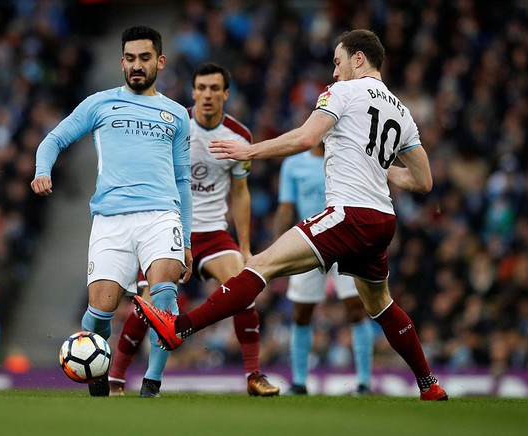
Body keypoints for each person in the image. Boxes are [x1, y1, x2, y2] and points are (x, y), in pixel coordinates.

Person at [135, 29, 448, 401]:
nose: (334, 72)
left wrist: (249, 151)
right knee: (380, 305)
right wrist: (381, 167)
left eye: (337, 62)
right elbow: (424, 180)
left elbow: (305, 139)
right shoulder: (401, 110)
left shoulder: (343, 93)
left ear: (358, 59)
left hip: (348, 214)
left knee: (259, 266)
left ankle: (179, 329)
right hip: (383, 220)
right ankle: (429, 384)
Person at [30, 26, 193, 397]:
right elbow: (54, 138)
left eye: (145, 58)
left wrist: (185, 236)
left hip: (160, 215)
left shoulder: (176, 115)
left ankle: (152, 383)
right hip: (111, 219)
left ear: (160, 62)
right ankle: (98, 371)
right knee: (100, 314)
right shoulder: (100, 103)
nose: (137, 66)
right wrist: (42, 170)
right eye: (131, 59)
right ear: (121, 62)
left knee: (164, 297)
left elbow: (183, 181)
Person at [107, 63, 279, 398]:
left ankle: (253, 375)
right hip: (168, 230)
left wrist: (244, 247)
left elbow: (240, 193)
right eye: (202, 88)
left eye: (215, 88)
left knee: (243, 285)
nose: (208, 94)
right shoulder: (173, 124)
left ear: (226, 94)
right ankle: (116, 378)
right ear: (193, 91)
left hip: (214, 232)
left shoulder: (240, 137)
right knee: (147, 305)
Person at [274, 142, 375, 395]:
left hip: (346, 241)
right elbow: (286, 208)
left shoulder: (348, 159)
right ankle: (299, 382)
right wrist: (278, 248)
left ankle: (364, 382)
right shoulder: (293, 164)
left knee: (356, 308)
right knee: (301, 313)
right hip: (309, 242)